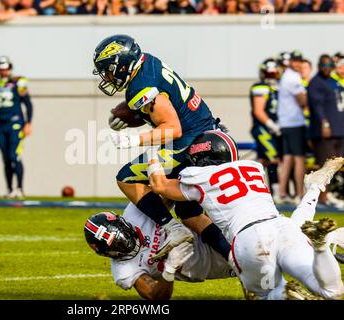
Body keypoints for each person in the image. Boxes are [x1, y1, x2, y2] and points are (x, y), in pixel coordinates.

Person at [146, 130, 344, 300]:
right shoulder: (252, 167)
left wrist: (153, 155)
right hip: (282, 229)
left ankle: (282, 295)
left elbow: (160, 185)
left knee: (264, 294)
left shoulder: (199, 177)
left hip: (249, 240)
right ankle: (321, 246)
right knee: (332, 292)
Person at [92, 34, 229, 261]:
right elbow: (160, 104)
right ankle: (235, 260)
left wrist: (134, 140)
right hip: (207, 132)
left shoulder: (140, 86)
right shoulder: (148, 62)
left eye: (108, 69)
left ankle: (171, 228)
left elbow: (172, 127)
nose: (107, 76)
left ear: (122, 63)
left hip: (189, 140)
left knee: (126, 177)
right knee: (190, 213)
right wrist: (132, 114)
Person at [84, 206, 234, 300]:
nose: (126, 246)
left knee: (185, 206)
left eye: (123, 238)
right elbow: (155, 296)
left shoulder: (136, 212)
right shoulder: (123, 270)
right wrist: (169, 269)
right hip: (215, 265)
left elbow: (167, 191)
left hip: (211, 230)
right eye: (118, 247)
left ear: (123, 222)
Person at [0, 56, 33, 199]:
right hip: (2, 126)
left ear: (10, 69)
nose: (4, 72)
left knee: (14, 156)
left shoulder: (18, 83)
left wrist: (28, 123)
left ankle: (20, 188)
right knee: (5, 159)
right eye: (1, 69)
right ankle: (10, 189)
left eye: (6, 69)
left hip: (16, 124)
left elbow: (28, 104)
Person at [308, 54, 344, 206]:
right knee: (325, 165)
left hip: (339, 129)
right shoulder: (316, 83)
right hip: (325, 131)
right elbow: (317, 106)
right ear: (319, 66)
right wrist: (325, 124)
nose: (327, 69)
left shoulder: (333, 81)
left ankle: (332, 193)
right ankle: (322, 197)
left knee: (337, 165)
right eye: (324, 66)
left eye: (330, 65)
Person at [277, 50, 308, 204]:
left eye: (299, 60)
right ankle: (299, 194)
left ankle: (282, 193)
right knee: (299, 159)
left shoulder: (286, 76)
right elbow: (302, 100)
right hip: (294, 122)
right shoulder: (293, 76)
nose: (297, 63)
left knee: (288, 158)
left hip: (285, 123)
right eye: (295, 60)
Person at [249, 58, 281, 197]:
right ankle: (275, 192)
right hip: (264, 128)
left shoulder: (278, 87)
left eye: (273, 74)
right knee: (273, 158)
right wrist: (272, 125)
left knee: (264, 160)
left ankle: (251, 184)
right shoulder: (260, 87)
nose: (271, 77)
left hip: (275, 128)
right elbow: (258, 110)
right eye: (269, 74)